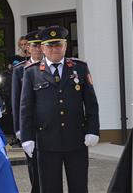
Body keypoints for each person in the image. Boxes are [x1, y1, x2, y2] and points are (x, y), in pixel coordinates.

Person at [20, 26, 100, 193]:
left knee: (79, 186)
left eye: (58, 45)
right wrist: (27, 137)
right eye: (49, 46)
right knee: (49, 188)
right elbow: (26, 108)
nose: (54, 49)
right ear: (43, 48)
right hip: (46, 140)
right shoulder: (31, 72)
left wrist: (93, 130)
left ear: (65, 46)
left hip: (76, 138)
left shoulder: (80, 68)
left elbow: (91, 103)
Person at [11, 30, 43, 193]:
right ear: (28, 49)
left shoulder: (51, 67)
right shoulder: (19, 70)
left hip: (48, 125)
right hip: (29, 125)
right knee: (32, 164)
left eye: (40, 46)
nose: (37, 49)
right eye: (34, 46)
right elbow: (16, 101)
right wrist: (18, 128)